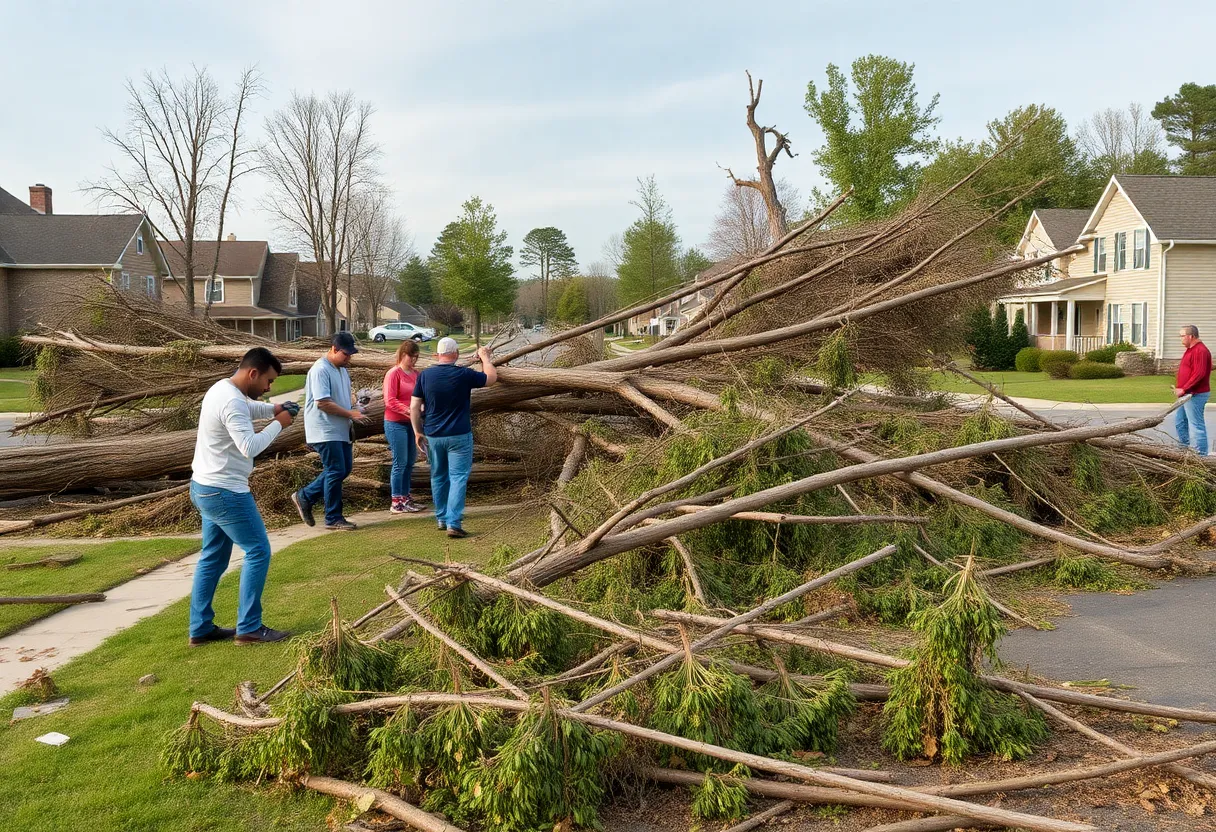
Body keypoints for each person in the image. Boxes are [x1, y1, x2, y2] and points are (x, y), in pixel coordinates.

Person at [188, 347, 295, 647]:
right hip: (225, 492)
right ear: (253, 373)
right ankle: (249, 627)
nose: (269, 387)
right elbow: (249, 446)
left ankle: (200, 628)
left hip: (203, 487)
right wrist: (279, 424)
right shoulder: (232, 401)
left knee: (212, 559)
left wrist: (273, 409)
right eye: (268, 382)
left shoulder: (222, 389)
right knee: (258, 551)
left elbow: (248, 408)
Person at [411, 337, 498, 537]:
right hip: (459, 434)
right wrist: (485, 358)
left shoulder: (425, 376)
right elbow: (491, 378)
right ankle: (454, 522)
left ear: (438, 355)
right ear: (456, 354)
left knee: (438, 476)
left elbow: (414, 407)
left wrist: (417, 431)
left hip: (433, 435)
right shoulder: (463, 374)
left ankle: (441, 518)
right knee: (458, 477)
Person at [292, 331, 370, 531]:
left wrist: (356, 406)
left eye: (351, 354)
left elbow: (343, 397)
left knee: (343, 469)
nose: (349, 358)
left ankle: (305, 496)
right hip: (324, 428)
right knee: (336, 470)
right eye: (346, 354)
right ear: (334, 349)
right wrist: (350, 414)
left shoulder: (342, 369)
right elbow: (323, 403)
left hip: (340, 428)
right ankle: (333, 517)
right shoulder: (320, 370)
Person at [383, 339, 426, 514]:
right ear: (402, 355)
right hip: (395, 423)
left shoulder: (416, 374)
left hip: (412, 424)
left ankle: (406, 497)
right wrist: (409, 410)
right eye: (411, 356)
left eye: (416, 357)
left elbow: (420, 396)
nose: (413, 360)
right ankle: (396, 500)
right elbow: (390, 400)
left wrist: (421, 409)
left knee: (410, 461)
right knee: (399, 462)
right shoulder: (394, 374)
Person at [1174, 324, 1212, 456]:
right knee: (1180, 423)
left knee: (1196, 426)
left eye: (1183, 336)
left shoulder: (1200, 350)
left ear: (1191, 336)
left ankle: (1201, 457)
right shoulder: (1191, 349)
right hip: (1186, 394)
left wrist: (1184, 388)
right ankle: (1183, 453)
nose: (1181, 339)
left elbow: (1199, 373)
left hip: (1195, 394)